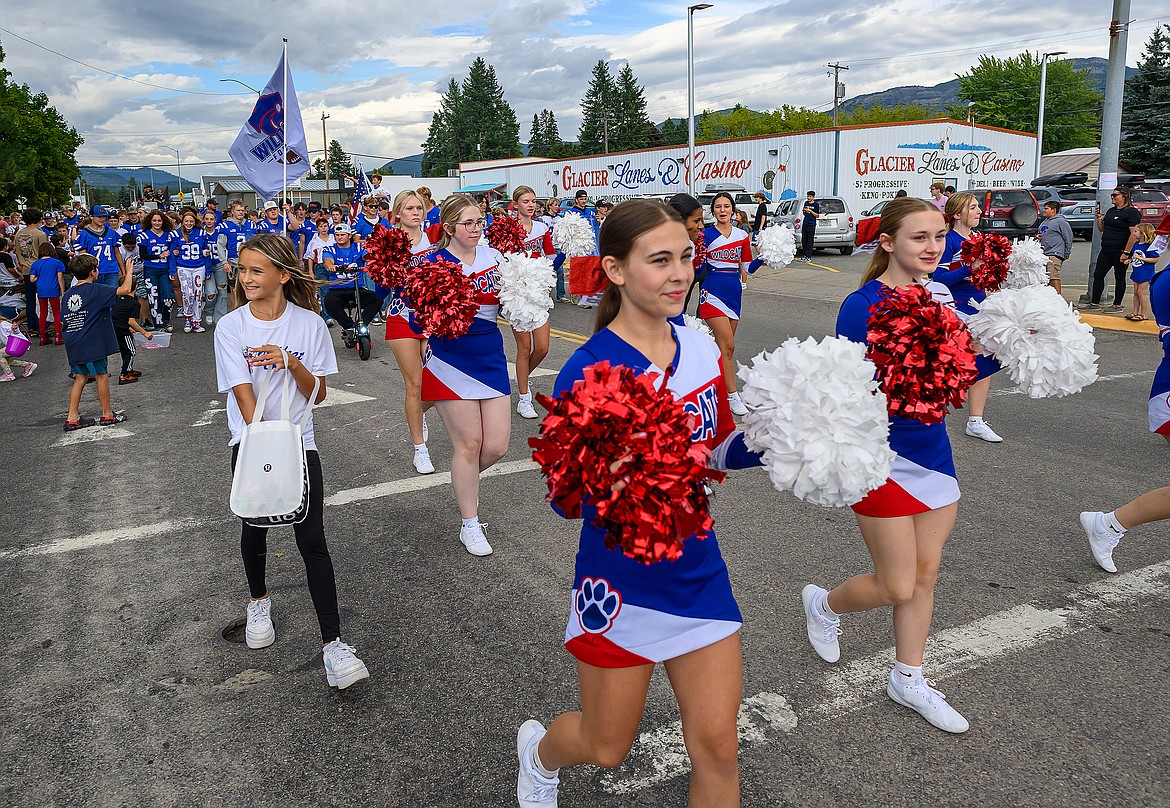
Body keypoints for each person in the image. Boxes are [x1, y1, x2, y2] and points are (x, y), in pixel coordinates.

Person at [517, 199, 763, 808]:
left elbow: (718, 447)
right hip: (619, 579)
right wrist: (623, 476)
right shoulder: (590, 368)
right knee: (606, 746)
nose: (679, 273)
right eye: (659, 260)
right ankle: (541, 753)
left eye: (685, 256)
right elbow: (564, 500)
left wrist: (782, 441)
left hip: (699, 568)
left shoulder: (701, 347)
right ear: (616, 270)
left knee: (718, 748)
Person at [802, 196, 971, 735]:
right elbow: (843, 387)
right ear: (888, 242)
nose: (932, 246)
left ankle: (908, 675)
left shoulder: (939, 298)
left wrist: (1011, 343)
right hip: (880, 457)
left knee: (925, 575)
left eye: (938, 236)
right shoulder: (861, 305)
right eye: (919, 236)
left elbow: (958, 369)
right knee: (898, 584)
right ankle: (824, 605)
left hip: (934, 454)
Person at [213, 232, 369, 690]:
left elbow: (317, 393)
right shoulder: (231, 327)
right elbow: (244, 398)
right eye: (242, 270)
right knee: (254, 526)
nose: (246, 279)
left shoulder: (309, 325)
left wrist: (288, 361)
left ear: (283, 275)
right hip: (254, 440)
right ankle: (258, 600)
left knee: (312, 539)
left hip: (301, 441)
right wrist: (265, 444)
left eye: (256, 270)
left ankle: (333, 646)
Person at [421, 195, 510, 556]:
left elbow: (513, 300)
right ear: (449, 228)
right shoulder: (433, 263)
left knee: (496, 447)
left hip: (490, 355)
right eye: (468, 223)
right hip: (449, 359)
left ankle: (464, 480)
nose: (476, 228)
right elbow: (418, 316)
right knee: (469, 444)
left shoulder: (496, 258)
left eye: (480, 222)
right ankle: (470, 523)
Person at [931, 191, 1003, 443]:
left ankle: (975, 421)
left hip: (979, 306)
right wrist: (968, 268)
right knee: (954, 362)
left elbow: (985, 275)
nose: (979, 211)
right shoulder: (947, 241)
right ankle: (930, 415)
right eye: (973, 207)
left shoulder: (979, 238)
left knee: (984, 360)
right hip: (955, 307)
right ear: (957, 214)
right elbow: (937, 279)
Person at [384, 190, 438, 474]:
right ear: (398, 213)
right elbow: (382, 285)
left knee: (436, 380)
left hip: (432, 316)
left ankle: (418, 411)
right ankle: (420, 449)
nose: (415, 212)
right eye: (409, 208)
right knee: (414, 384)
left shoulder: (435, 237)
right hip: (401, 315)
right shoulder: (390, 242)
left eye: (419, 207)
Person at [697, 192, 752, 416]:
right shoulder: (705, 235)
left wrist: (767, 256)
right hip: (712, 292)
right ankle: (732, 395)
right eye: (718, 206)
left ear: (733, 210)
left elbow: (748, 268)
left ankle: (710, 388)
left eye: (726, 206)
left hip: (733, 293)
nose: (722, 210)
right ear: (713, 211)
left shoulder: (742, 235)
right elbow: (698, 267)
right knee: (728, 346)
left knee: (721, 349)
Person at [60, 254, 125, 431]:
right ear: (92, 272)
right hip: (92, 341)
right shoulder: (96, 290)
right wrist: (129, 270)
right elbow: (125, 290)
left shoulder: (68, 295)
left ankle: (72, 417)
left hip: (74, 339)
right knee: (101, 375)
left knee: (80, 377)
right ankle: (107, 414)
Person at [511, 186, 557, 420]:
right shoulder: (508, 228)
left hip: (538, 292)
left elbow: (550, 257)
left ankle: (522, 379)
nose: (530, 205)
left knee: (542, 348)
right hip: (518, 294)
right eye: (525, 201)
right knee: (523, 348)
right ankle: (523, 398)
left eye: (533, 201)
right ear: (516, 204)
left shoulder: (541, 228)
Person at [1081, 187, 1141, 312]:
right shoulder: (1111, 211)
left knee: (1119, 276)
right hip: (1107, 248)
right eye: (1111, 195)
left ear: (1124, 196)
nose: (1112, 197)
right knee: (1098, 274)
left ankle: (1117, 304)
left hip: (1120, 250)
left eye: (1115, 195)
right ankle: (1094, 303)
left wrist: (1126, 252)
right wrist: (1098, 218)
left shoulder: (1131, 212)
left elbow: (1133, 234)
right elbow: (1101, 229)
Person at [322, 225, 379, 334]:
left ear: (350, 235)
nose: (339, 237)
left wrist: (373, 261)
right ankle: (349, 326)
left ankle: (361, 324)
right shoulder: (330, 249)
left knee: (376, 299)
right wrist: (330, 265)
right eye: (337, 235)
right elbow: (327, 260)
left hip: (357, 288)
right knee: (328, 302)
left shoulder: (359, 247)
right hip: (337, 289)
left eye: (342, 235)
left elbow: (368, 256)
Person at [169, 209, 212, 333]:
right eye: (186, 221)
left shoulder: (201, 233)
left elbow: (206, 252)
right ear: (182, 221)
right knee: (187, 293)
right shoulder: (176, 234)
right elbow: (172, 254)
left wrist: (208, 269)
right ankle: (187, 318)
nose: (189, 223)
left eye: (191, 221)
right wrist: (172, 271)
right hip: (183, 267)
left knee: (198, 294)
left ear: (195, 221)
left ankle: (196, 321)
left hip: (199, 267)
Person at [668, 193, 709, 316]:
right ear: (679, 220)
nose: (701, 226)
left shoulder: (688, 246)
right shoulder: (657, 250)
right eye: (696, 221)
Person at [138, 211, 176, 332]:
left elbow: (172, 252)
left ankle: (166, 319)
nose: (157, 223)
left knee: (168, 297)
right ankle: (158, 324)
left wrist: (175, 254)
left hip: (164, 269)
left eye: (159, 220)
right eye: (154, 220)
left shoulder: (169, 235)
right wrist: (158, 256)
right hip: (151, 270)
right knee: (153, 297)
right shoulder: (144, 236)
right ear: (150, 221)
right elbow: (143, 255)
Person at [112, 271, 152, 384]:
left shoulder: (118, 299)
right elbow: (132, 321)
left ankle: (129, 369)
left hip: (116, 327)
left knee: (125, 350)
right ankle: (124, 374)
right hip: (123, 330)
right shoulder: (134, 303)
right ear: (137, 287)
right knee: (131, 351)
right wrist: (145, 333)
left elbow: (120, 315)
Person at [73, 206, 126, 287]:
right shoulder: (84, 234)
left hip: (111, 270)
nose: (102, 219)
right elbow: (82, 256)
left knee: (111, 296)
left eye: (104, 217)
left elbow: (117, 253)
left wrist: (123, 272)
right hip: (93, 272)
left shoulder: (111, 232)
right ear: (91, 217)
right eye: (99, 217)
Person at [15, 210, 49, 322]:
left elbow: (17, 252)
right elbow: (44, 253)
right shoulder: (40, 234)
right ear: (39, 219)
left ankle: (32, 324)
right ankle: (43, 323)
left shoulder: (18, 234)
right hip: (40, 270)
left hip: (25, 269)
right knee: (42, 299)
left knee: (30, 299)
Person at [29, 242, 66, 345]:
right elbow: (60, 278)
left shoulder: (35, 264)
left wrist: (39, 278)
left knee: (43, 313)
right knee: (56, 312)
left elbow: (32, 279)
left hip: (41, 290)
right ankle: (58, 335)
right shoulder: (56, 262)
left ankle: (42, 336)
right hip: (53, 289)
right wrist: (62, 291)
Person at [1038, 200, 1073, 296]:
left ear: (1053, 210)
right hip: (1044, 253)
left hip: (1054, 253)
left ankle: (1058, 299)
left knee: (1053, 276)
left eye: (1046, 208)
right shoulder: (1045, 221)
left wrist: (1067, 252)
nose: (1043, 210)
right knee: (1047, 279)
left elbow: (1068, 237)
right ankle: (1050, 298)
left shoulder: (1061, 221)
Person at [1127, 223, 1160, 322]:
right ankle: (1135, 312)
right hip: (1137, 270)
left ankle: (1144, 314)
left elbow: (1155, 259)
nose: (1134, 233)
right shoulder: (1136, 244)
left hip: (1146, 272)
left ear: (1143, 233)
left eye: (1136, 231)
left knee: (1141, 292)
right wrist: (1130, 260)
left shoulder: (1149, 246)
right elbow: (1135, 256)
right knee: (1135, 292)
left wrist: (1141, 258)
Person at [306, 217, 336, 326]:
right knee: (324, 291)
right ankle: (326, 316)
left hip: (333, 266)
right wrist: (310, 271)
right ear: (317, 228)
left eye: (325, 226)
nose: (323, 228)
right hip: (320, 267)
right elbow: (310, 257)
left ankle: (335, 312)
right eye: (321, 226)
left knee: (334, 290)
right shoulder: (314, 242)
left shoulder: (333, 238)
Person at [201, 211, 229, 326]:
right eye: (206, 219)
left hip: (219, 264)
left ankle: (220, 316)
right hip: (206, 265)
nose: (209, 221)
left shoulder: (220, 233)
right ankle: (208, 311)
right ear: (203, 220)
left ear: (215, 220)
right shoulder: (201, 233)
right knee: (211, 292)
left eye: (211, 219)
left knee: (222, 290)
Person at [0, 316, 36, 382]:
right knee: (5, 360)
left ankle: (9, 374)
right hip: (16, 346)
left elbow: (14, 330)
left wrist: (15, 328)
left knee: (0, 355)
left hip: (17, 344)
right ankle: (27, 365)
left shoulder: (3, 324)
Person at [799, 190, 820, 262]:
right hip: (805, 223)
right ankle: (804, 255)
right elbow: (804, 213)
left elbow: (817, 215)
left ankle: (808, 256)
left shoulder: (816, 205)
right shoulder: (806, 203)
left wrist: (810, 211)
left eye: (810, 196)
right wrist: (804, 211)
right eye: (808, 196)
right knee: (804, 240)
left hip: (811, 224)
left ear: (813, 197)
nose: (808, 198)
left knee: (809, 241)